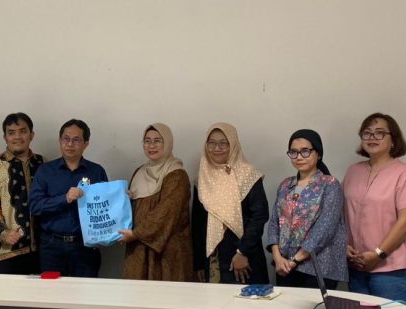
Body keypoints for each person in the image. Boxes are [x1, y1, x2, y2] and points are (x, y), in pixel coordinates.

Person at [343, 113, 406, 303]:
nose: (372, 137)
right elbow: (340, 215)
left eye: (379, 133)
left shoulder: (404, 174)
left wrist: (379, 254)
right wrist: (343, 246)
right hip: (356, 268)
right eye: (367, 133)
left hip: (391, 272)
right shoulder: (353, 171)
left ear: (393, 140)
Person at [266, 129, 348, 290]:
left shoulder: (330, 185)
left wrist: (296, 259)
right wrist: (277, 257)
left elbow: (325, 228)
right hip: (284, 265)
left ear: (318, 154)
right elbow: (275, 222)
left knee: (314, 308)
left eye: (305, 151)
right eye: (293, 152)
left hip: (318, 267)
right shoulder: (285, 185)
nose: (299, 157)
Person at [192, 123, 269, 284]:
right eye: (211, 143)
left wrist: (242, 252)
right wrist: (198, 263)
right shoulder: (202, 178)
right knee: (214, 299)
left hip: (244, 258)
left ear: (233, 144)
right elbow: (198, 223)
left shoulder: (248, 175)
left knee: (246, 299)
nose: (217, 148)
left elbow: (259, 216)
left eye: (223, 143)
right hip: (213, 259)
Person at [30, 119, 108, 277]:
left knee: (86, 290)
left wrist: (121, 198)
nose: (70, 144)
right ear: (60, 141)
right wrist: (64, 199)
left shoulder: (96, 171)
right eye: (66, 139)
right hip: (51, 247)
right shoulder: (45, 171)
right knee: (51, 290)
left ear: (86, 143)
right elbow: (35, 206)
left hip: (85, 246)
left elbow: (106, 208)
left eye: (76, 140)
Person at [119, 123, 193, 281]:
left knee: (163, 294)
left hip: (166, 252)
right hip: (138, 250)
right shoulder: (139, 172)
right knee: (137, 293)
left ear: (168, 143)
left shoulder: (177, 174)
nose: (151, 146)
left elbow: (166, 213)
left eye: (157, 140)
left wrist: (136, 234)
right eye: (147, 141)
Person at [0, 113, 44, 274]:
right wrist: (3, 232)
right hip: (6, 251)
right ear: (5, 137)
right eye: (11, 132)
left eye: (23, 131)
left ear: (32, 135)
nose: (17, 137)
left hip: (42, 250)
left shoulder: (42, 164)